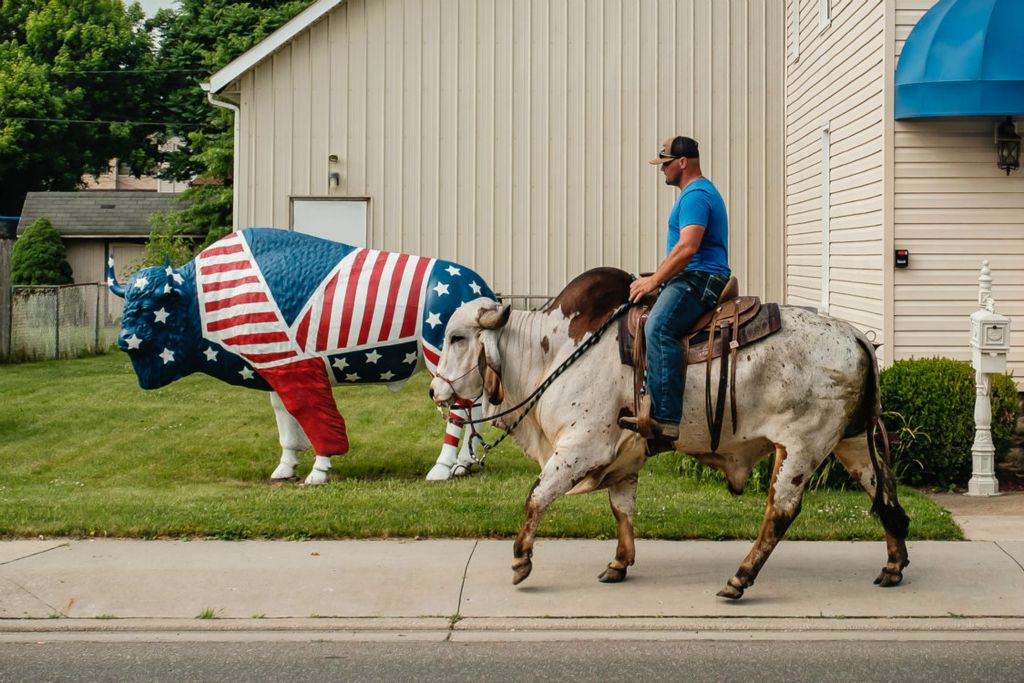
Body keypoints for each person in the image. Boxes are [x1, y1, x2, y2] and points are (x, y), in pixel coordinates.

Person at [621, 136, 731, 440]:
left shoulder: (696, 195)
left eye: (666, 163)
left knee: (657, 327)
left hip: (699, 278)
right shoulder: (694, 194)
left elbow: (687, 248)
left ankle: (665, 418)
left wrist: (654, 280)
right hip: (691, 275)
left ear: (683, 163)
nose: (662, 170)